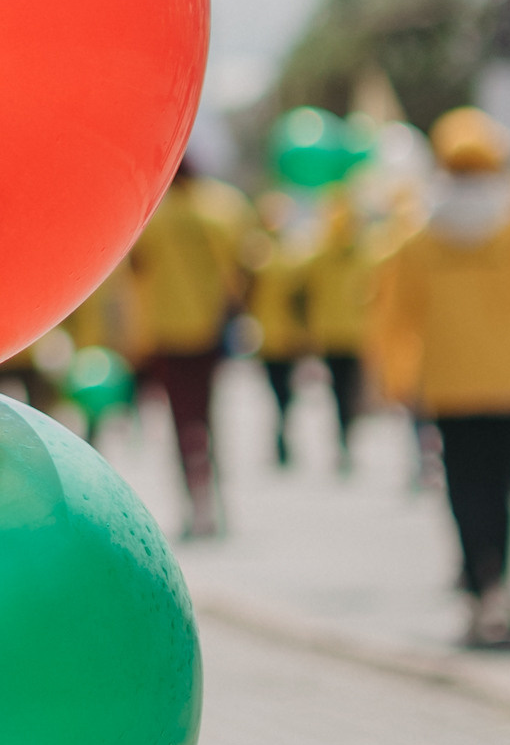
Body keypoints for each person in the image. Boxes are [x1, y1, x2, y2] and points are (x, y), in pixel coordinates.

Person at [373, 105, 510, 648]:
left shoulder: (419, 235)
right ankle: (496, 589)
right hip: (509, 382)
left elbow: (395, 317)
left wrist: (394, 382)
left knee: (463, 488)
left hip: (448, 384)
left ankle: (478, 583)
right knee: (501, 487)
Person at [128, 153, 249, 538]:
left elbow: (134, 269)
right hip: (209, 332)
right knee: (208, 418)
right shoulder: (221, 209)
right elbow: (241, 270)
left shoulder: (151, 216)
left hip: (166, 334)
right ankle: (212, 499)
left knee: (181, 422)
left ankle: (194, 502)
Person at [297, 188, 373, 472]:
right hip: (352, 332)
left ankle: (343, 436)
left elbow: (304, 294)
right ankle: (347, 435)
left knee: (338, 391)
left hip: (331, 332)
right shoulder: (365, 253)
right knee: (350, 390)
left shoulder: (319, 254)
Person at [242, 198, 308, 466]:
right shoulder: (258, 251)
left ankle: (283, 430)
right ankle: (280, 431)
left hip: (286, 334)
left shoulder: (293, 252)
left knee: (286, 389)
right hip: (270, 333)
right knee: (277, 389)